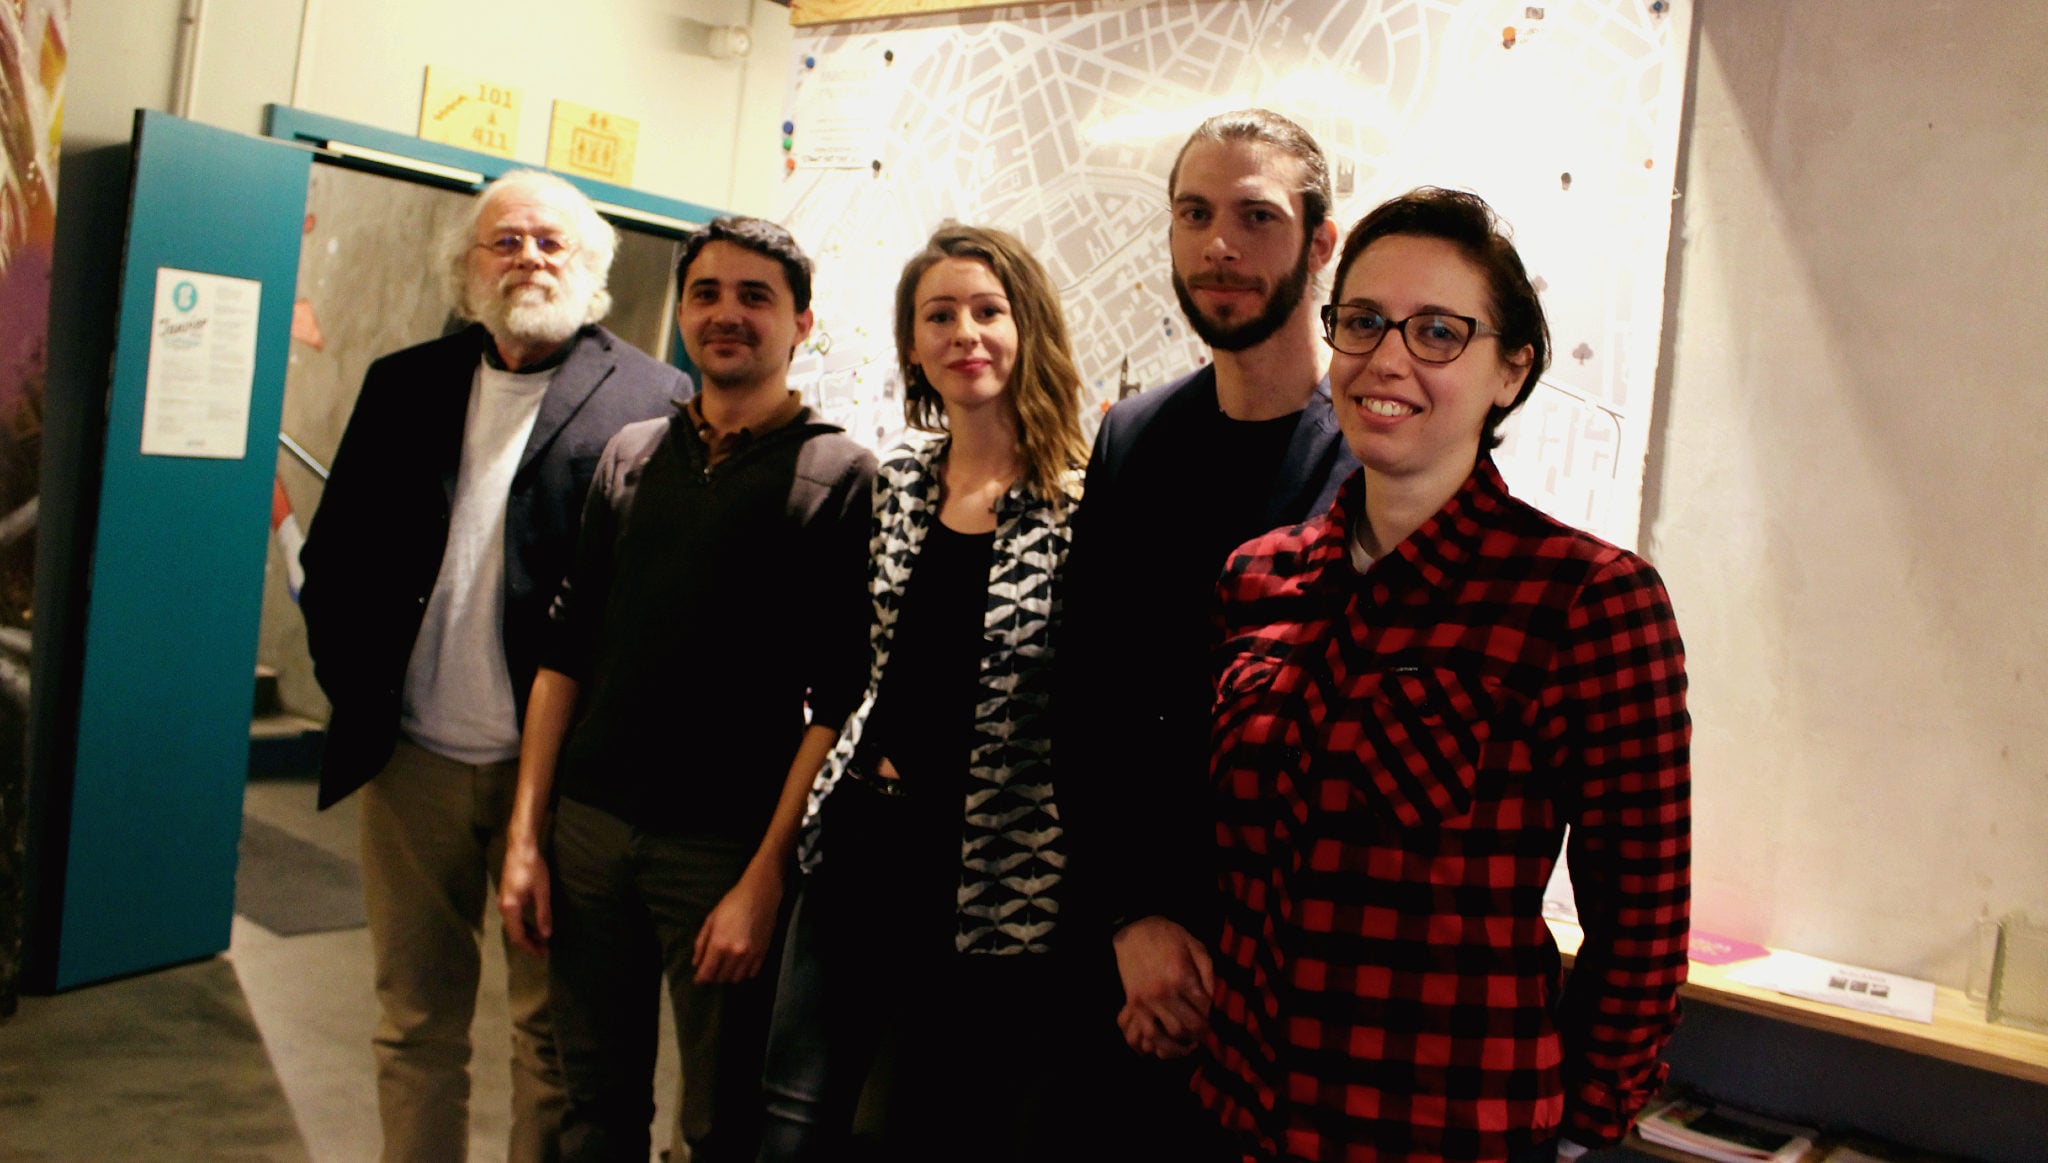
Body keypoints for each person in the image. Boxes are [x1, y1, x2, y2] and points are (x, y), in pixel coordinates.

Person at [1193, 187, 1691, 1163]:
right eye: (1363, 321)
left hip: (1444, 1130)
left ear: (1509, 369)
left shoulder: (1587, 599)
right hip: (1243, 1116)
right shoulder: (1258, 575)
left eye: (1436, 332)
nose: (1387, 358)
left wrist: (1585, 1123)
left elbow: (1639, 929)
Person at [298, 168, 683, 1163]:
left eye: (553, 242)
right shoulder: (403, 383)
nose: (529, 258)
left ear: (591, 264)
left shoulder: (653, 398)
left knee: (548, 1035)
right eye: (505, 241)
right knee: (413, 1019)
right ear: (467, 266)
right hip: (411, 762)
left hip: (555, 786)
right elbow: (336, 556)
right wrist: (356, 683)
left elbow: (650, 606)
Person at [497, 215, 875, 1163]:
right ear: (680, 311)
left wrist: (763, 880)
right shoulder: (629, 456)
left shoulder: (841, 476)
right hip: (588, 836)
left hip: (721, 851)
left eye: (756, 297)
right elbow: (565, 658)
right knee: (594, 1108)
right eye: (706, 294)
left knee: (719, 1124)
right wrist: (527, 837)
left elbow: (836, 705)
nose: (726, 315)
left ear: (802, 322)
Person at [1057, 109, 1359, 1153]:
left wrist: (1228, 960)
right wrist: (1131, 918)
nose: (1217, 245)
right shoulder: (1132, 434)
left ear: (1320, 243)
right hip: (1122, 962)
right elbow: (1084, 695)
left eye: (1254, 216)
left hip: (1296, 984)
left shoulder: (1375, 459)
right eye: (1192, 214)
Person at [757, 224, 1090, 1162]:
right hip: (862, 839)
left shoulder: (1082, 501)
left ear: (1026, 324)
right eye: (938, 315)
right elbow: (857, 673)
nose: (964, 333)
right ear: (912, 342)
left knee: (941, 1123)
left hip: (996, 866)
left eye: (987, 310)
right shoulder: (897, 479)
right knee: (790, 1116)